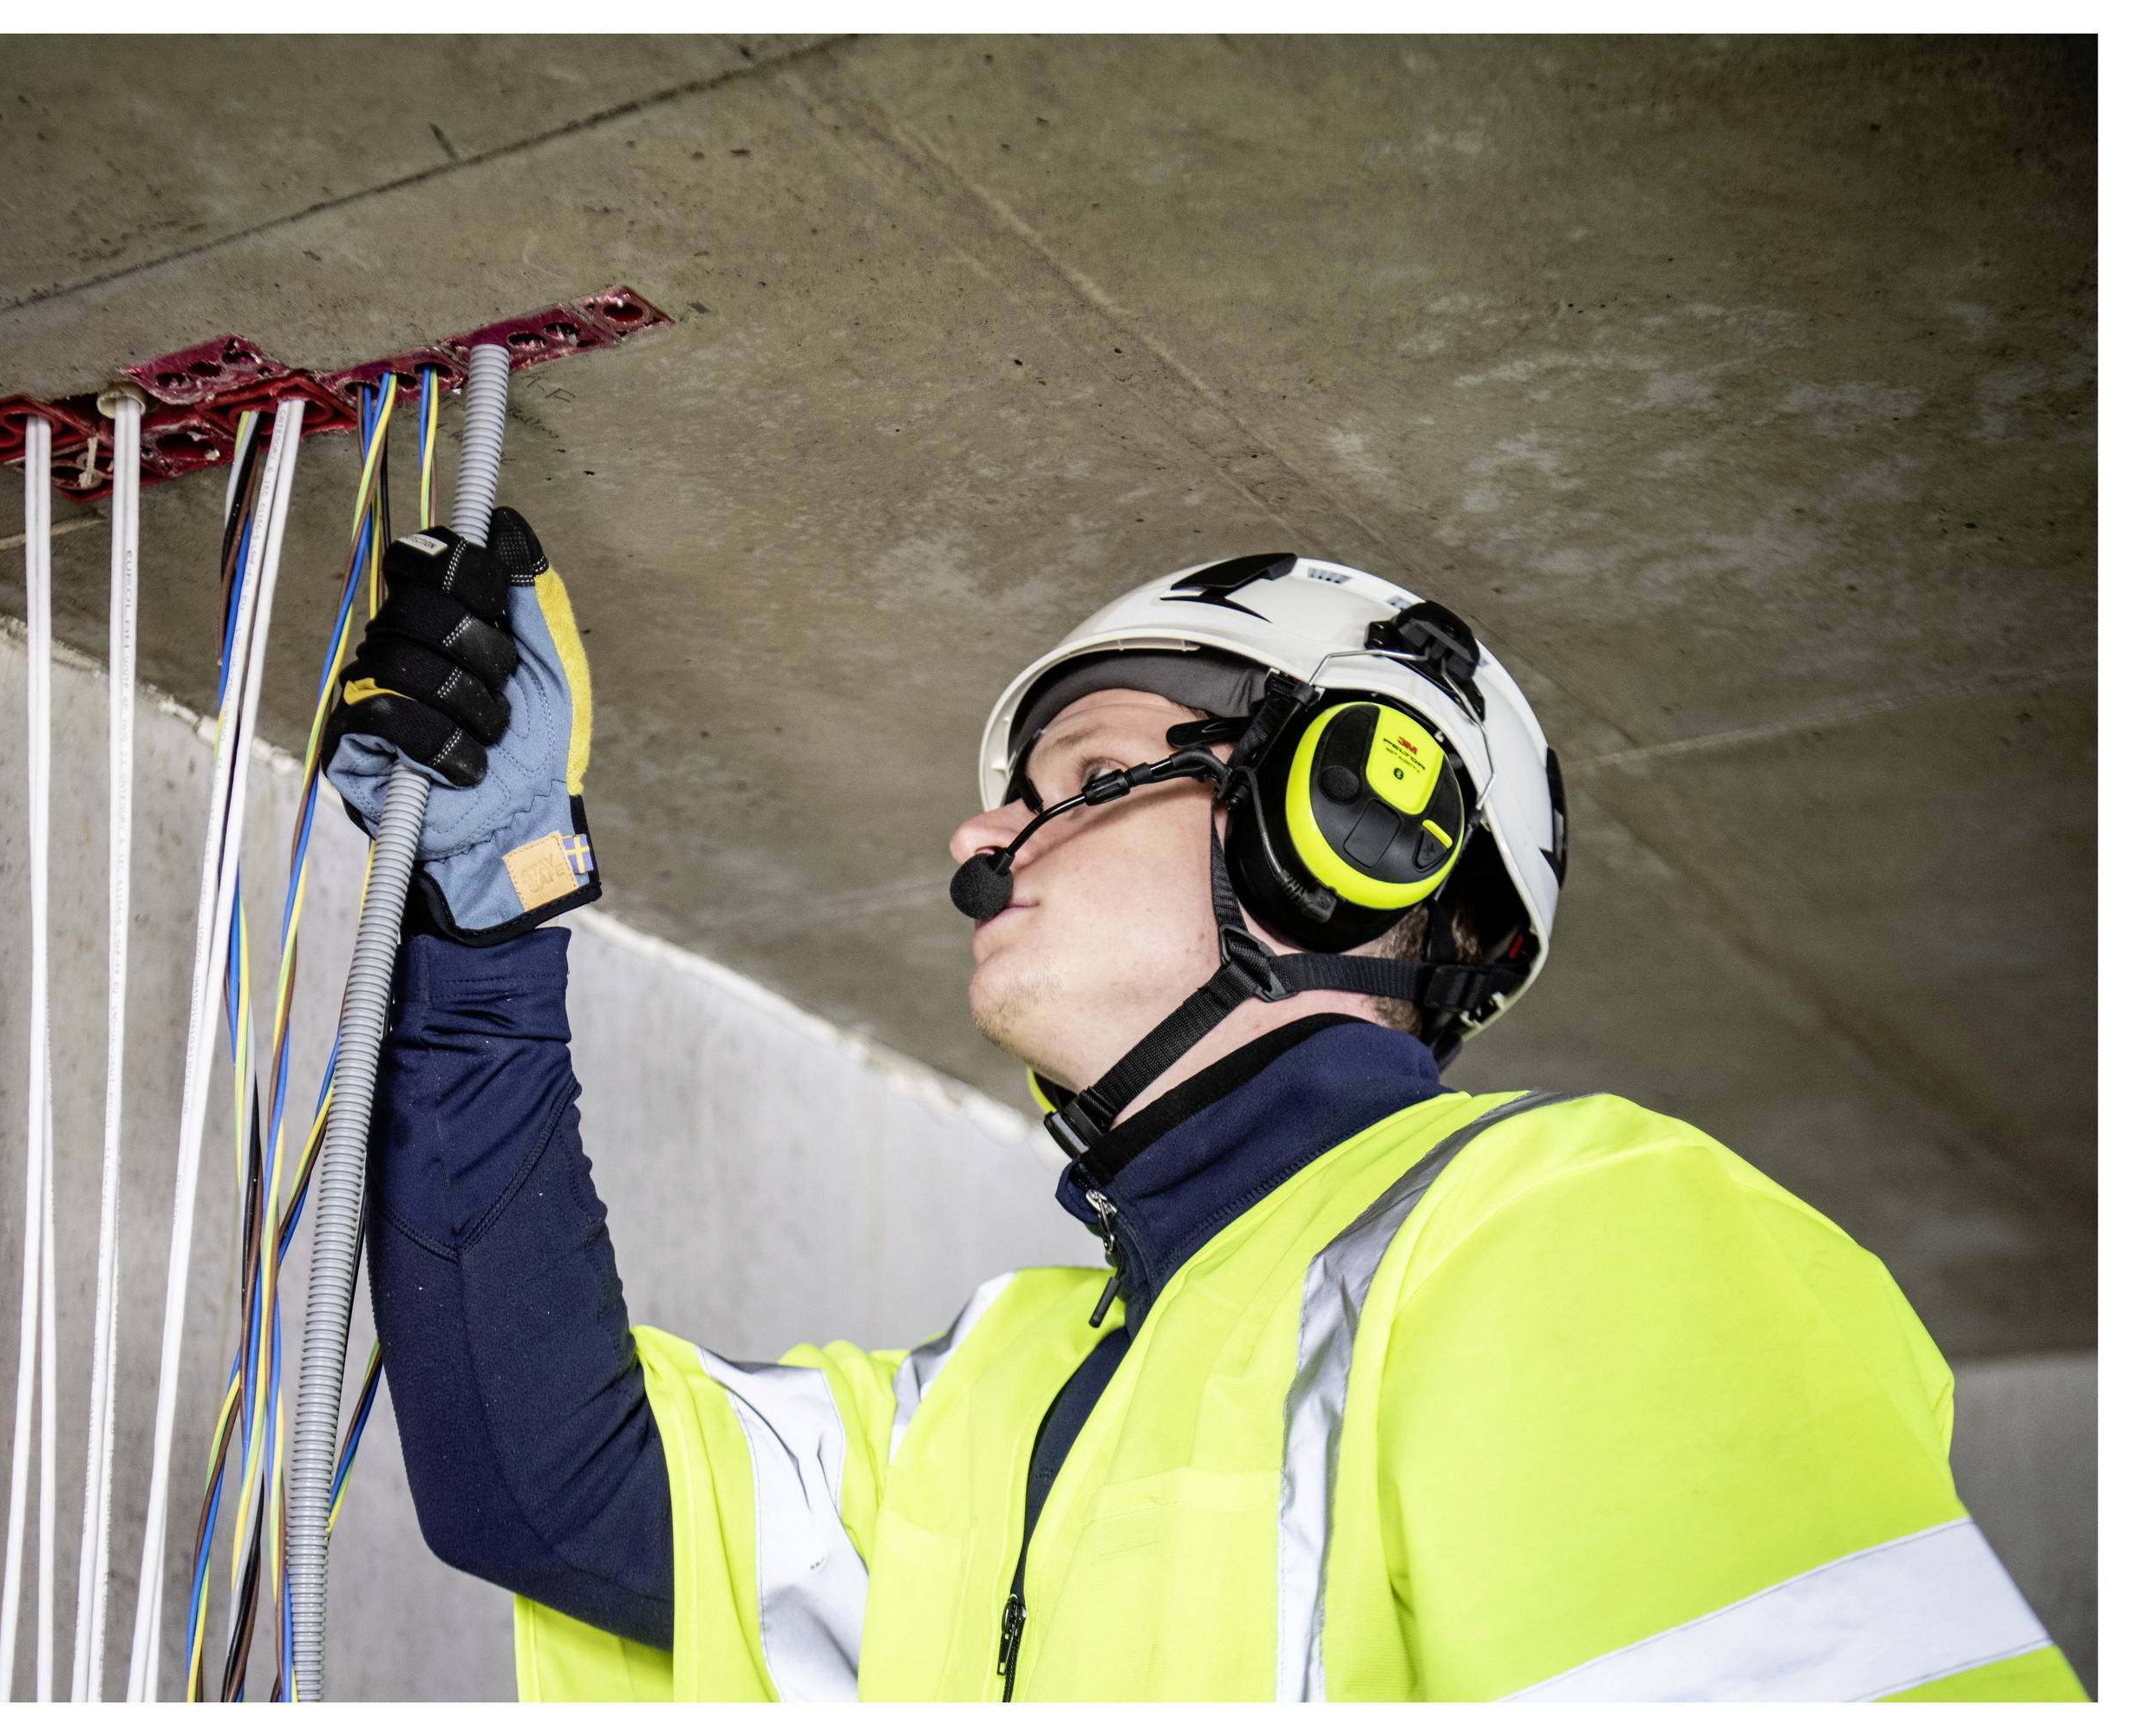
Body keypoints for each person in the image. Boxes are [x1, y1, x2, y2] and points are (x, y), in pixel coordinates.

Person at [319, 518, 2083, 1702]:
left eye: (1083, 780)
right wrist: (489, 910)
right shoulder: (1005, 1380)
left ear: (1348, 831)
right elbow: (554, 1489)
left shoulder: (1576, 1225)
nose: (975, 841)